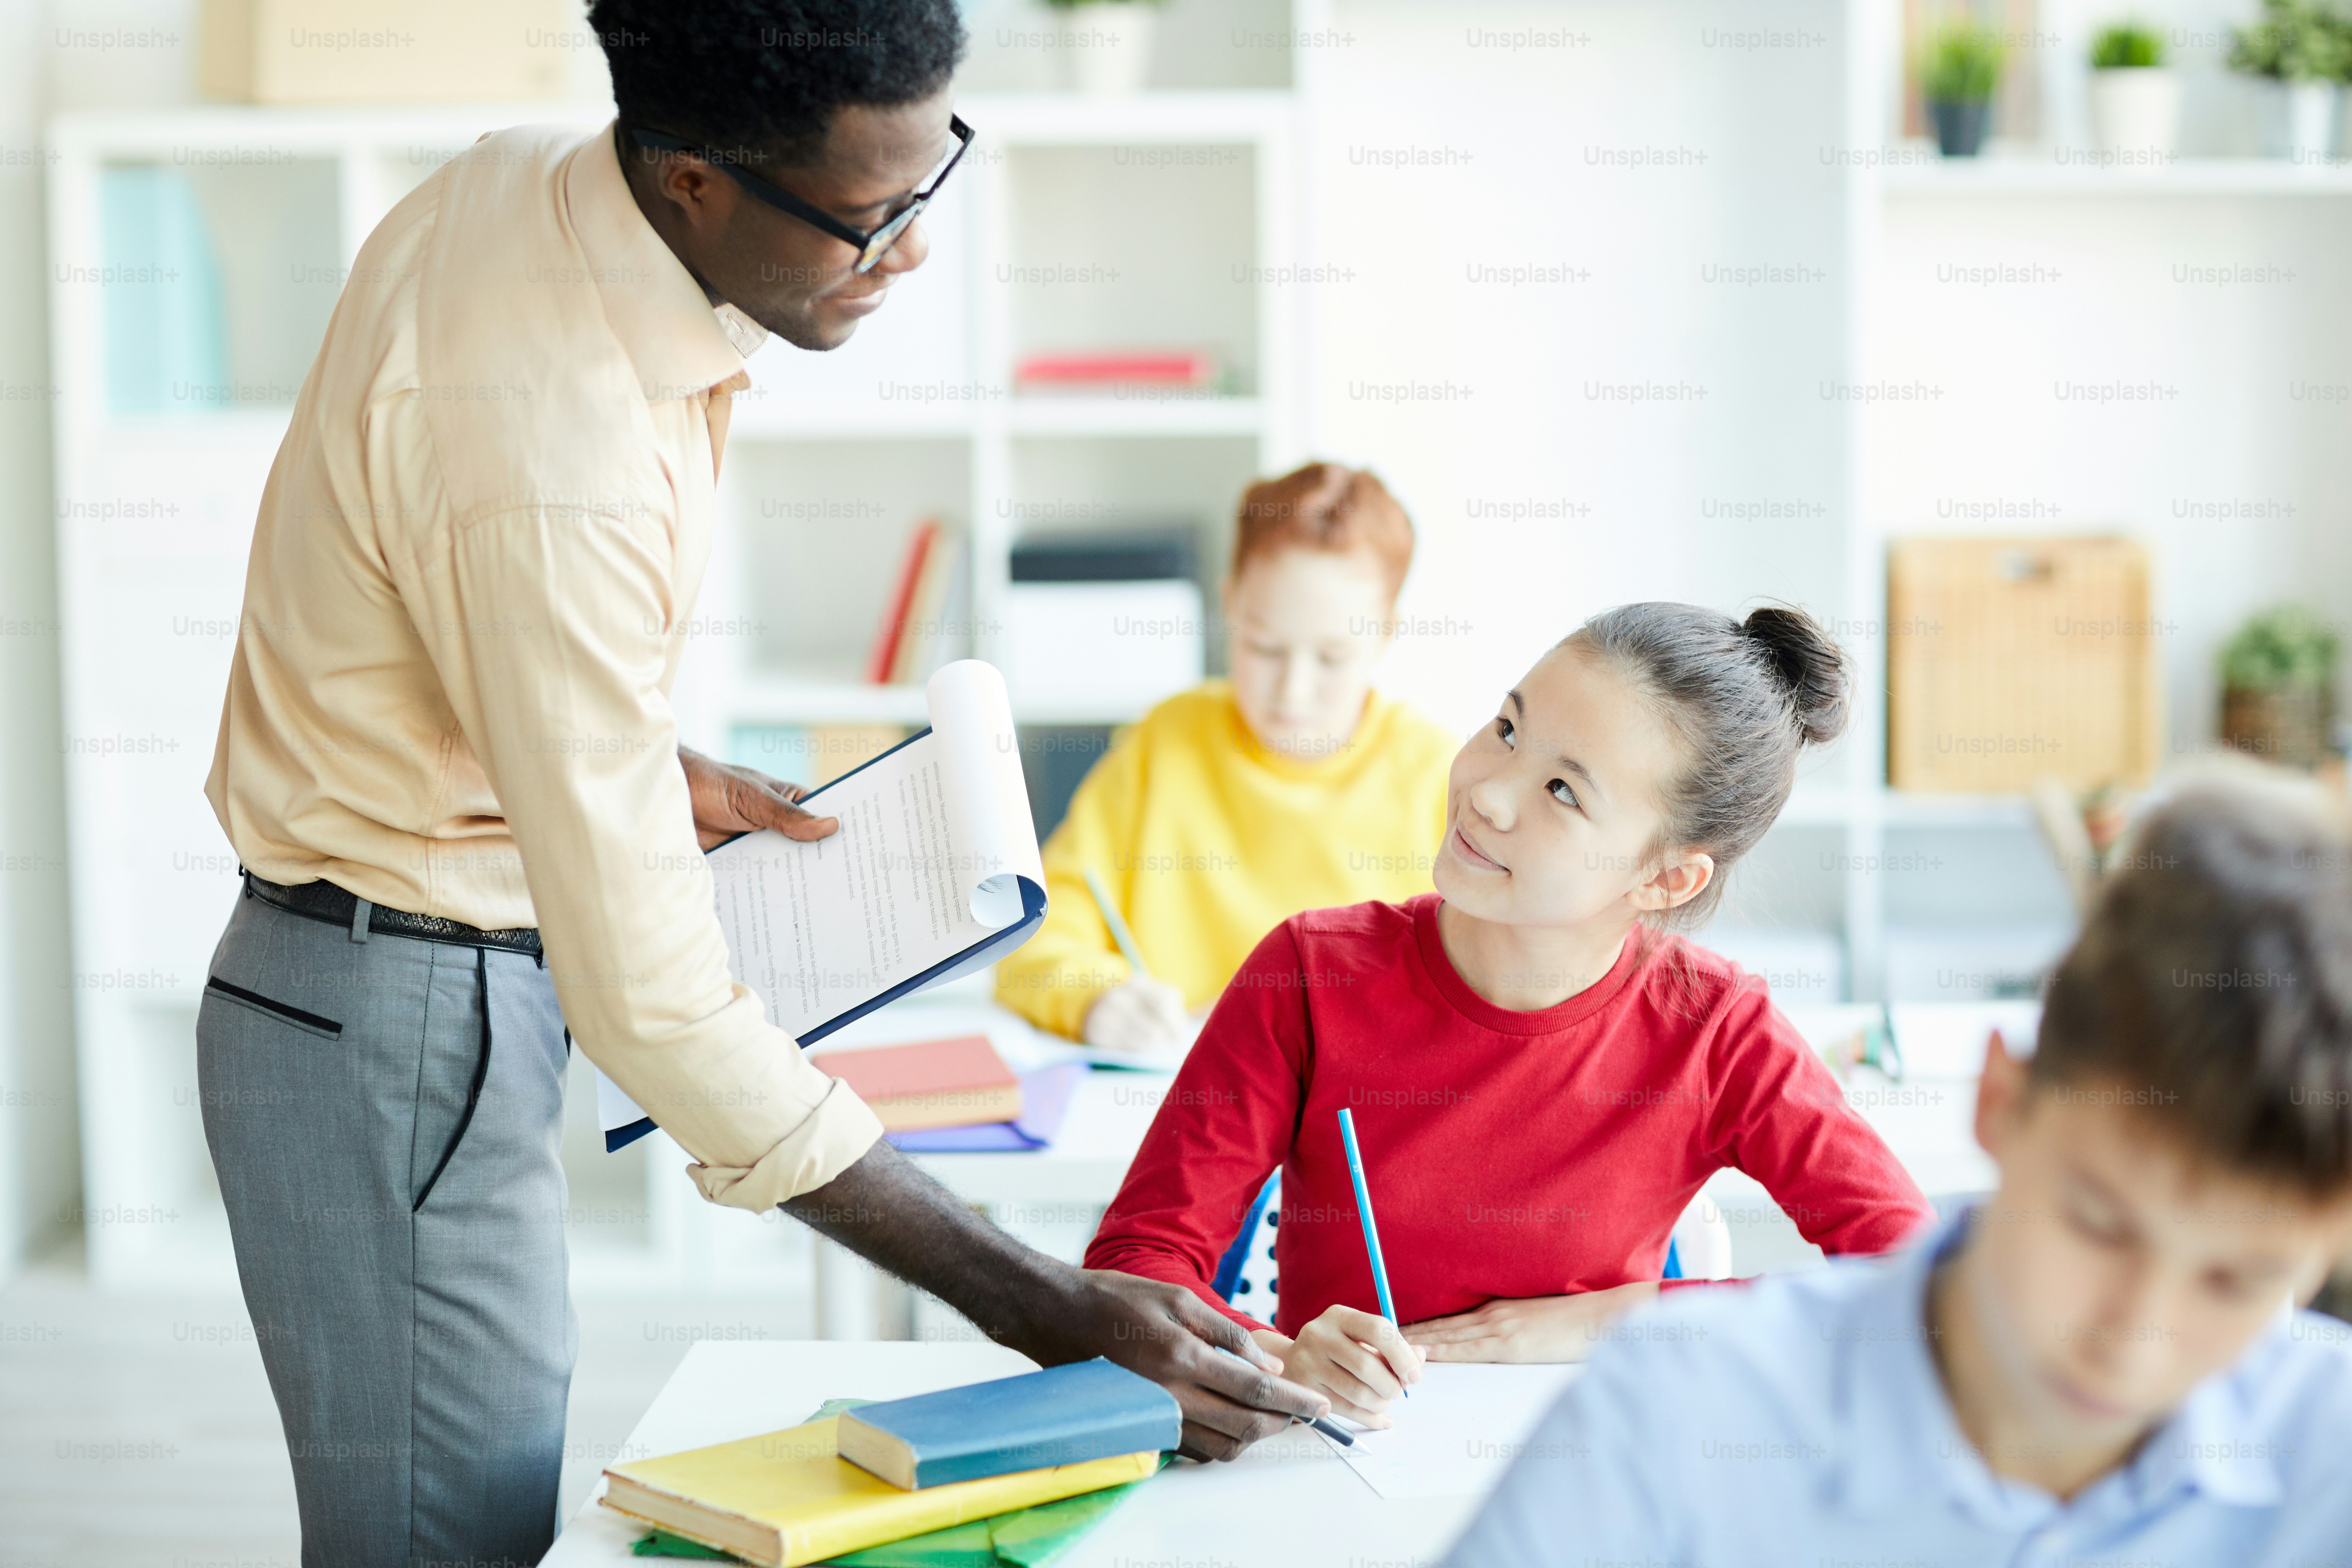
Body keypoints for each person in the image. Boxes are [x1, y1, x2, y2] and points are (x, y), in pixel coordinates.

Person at [194, 5, 1321, 1564]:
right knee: (448, 1542)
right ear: (694, 182)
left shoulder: (522, 180)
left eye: (932, 185)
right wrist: (1039, 1299)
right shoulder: (555, 442)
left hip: (390, 991)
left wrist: (632, 773)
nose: (911, 253)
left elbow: (425, 605)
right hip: (395, 1023)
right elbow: (655, 1007)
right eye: (868, 218)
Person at [1448, 765, 2352, 1565]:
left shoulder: (2328, 1462)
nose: (2135, 1335)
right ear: (1999, 1100)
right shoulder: (1681, 1412)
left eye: (2239, 1281)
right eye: (2098, 1226)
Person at [1086, 603, 1935, 1425]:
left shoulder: (1716, 1029)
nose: (1489, 793)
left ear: (1665, 878)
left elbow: (1920, 1287)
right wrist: (1274, 1358)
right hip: (1339, 1473)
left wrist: (1611, 1316)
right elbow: (1134, 1270)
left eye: (1563, 790)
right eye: (1507, 729)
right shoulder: (1309, 973)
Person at [995, 462, 1458, 1054]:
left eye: (1332, 658)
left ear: (1386, 634)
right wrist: (1094, 997)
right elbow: (1035, 930)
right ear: (1230, 604)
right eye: (1263, 647)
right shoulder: (1166, 743)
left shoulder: (1439, 780)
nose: (1292, 691)